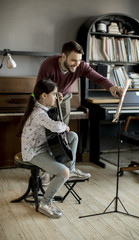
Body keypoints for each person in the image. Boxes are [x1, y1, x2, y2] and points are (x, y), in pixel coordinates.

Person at [37, 40, 123, 185]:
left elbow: (98, 78)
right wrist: (51, 96)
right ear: (63, 56)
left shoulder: (80, 65)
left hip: (64, 99)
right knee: (46, 134)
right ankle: (43, 170)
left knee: (61, 135)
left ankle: (63, 169)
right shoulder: (48, 65)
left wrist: (111, 87)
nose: (76, 64)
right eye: (73, 60)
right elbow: (40, 89)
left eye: (79, 61)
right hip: (47, 99)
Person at [18, 79, 91, 218]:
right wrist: (65, 126)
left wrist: (57, 102)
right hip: (34, 152)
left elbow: (52, 117)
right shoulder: (38, 113)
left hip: (44, 146)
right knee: (63, 172)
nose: (56, 97)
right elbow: (56, 126)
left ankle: (72, 168)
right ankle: (45, 203)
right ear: (44, 95)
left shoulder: (42, 108)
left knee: (73, 137)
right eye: (54, 94)